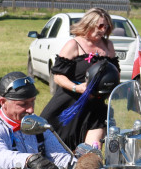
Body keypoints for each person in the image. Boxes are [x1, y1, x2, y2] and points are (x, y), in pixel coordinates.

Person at [41, 8, 121, 150]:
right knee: (57, 149)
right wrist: (77, 87)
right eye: (101, 26)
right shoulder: (74, 45)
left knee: (92, 152)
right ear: (88, 24)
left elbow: (115, 72)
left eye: (107, 26)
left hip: (96, 108)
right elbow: (58, 76)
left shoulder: (108, 46)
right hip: (70, 104)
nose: (104, 30)